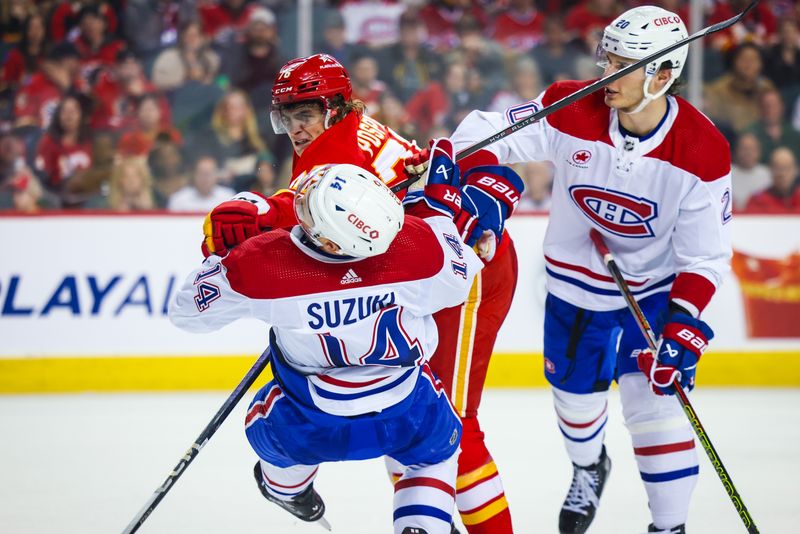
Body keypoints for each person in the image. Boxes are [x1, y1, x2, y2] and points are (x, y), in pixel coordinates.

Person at [199, 53, 524, 534]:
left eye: (304, 114)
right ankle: (432, 513)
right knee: (408, 421)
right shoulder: (343, 131)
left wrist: (253, 220)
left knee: (452, 427)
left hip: (464, 271)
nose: (295, 127)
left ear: (334, 107)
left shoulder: (336, 153)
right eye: (286, 116)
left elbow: (300, 228)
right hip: (425, 271)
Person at [446, 6, 732, 533]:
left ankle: (670, 526)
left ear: (663, 74)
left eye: (623, 67)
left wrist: (684, 323)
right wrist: (483, 186)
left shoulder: (702, 150)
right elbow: (475, 136)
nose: (607, 76)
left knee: (654, 407)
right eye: (608, 60)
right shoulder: (570, 107)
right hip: (574, 288)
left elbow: (704, 257)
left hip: (653, 291)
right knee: (577, 403)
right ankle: (588, 466)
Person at [170, 157, 483, 534]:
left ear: (330, 239)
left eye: (308, 206)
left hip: (310, 420)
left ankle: (287, 490)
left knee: (274, 432)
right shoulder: (418, 246)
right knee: (435, 454)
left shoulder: (262, 264)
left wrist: (221, 255)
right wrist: (438, 210)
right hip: (406, 410)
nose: (299, 202)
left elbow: (186, 313)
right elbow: (460, 277)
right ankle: (422, 525)